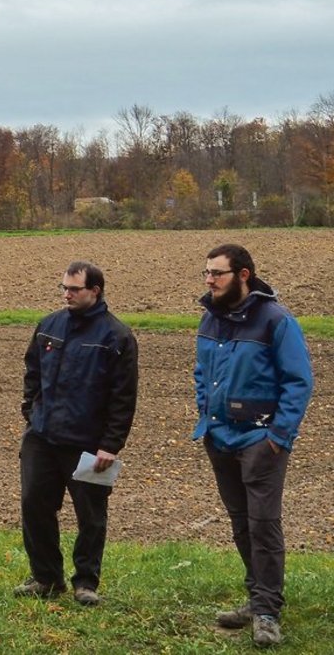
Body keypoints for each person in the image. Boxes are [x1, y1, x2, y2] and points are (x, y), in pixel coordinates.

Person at [195, 244, 313, 647]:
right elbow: (201, 371)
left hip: (260, 441)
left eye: (218, 273)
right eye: (207, 273)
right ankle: (256, 597)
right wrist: (204, 412)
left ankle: (267, 612)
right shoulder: (210, 319)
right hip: (220, 437)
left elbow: (299, 382)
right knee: (241, 524)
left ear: (243, 275)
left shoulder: (275, 320)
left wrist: (278, 438)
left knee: (263, 525)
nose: (209, 280)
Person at [16, 261, 138, 606]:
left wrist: (110, 445)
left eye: (74, 289)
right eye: (63, 288)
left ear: (95, 291)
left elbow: (123, 397)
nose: (66, 294)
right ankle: (46, 577)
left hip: (88, 444)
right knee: (34, 506)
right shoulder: (49, 326)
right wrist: (31, 411)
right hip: (42, 437)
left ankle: (86, 582)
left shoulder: (117, 337)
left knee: (91, 515)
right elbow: (32, 371)